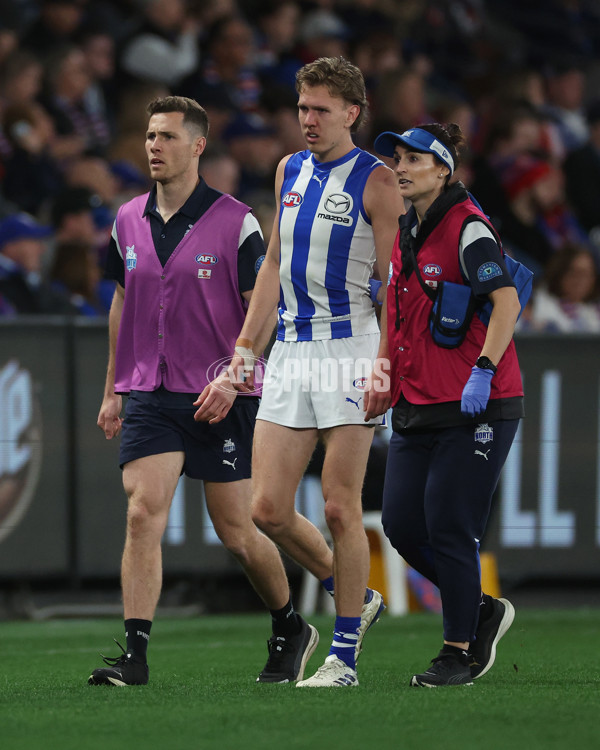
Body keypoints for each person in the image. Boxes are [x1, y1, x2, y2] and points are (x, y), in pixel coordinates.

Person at [89, 95, 318, 687]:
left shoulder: (236, 220)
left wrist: (236, 376)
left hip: (224, 393)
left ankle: (290, 624)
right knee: (143, 512)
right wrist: (115, 387)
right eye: (148, 135)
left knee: (239, 534)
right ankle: (134, 655)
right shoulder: (125, 219)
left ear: (197, 147)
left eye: (166, 136)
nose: (153, 146)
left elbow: (261, 311)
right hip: (151, 392)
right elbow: (121, 300)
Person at [205, 56, 403, 688]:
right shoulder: (289, 169)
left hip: (350, 349)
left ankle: (342, 657)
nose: (308, 120)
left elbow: (393, 286)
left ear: (352, 112)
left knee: (342, 507)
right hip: (290, 351)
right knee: (265, 507)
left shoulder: (377, 181)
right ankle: (357, 597)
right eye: (302, 108)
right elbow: (272, 267)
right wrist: (245, 348)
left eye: (320, 109)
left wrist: (385, 362)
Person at [373, 123, 522, 687]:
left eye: (415, 159)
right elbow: (396, 308)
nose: (401, 167)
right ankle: (479, 607)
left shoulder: (468, 229)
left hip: (475, 404)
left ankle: (458, 650)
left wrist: (483, 371)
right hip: (418, 401)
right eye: (397, 158)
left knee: (451, 526)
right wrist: (386, 369)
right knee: (404, 525)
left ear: (443, 170)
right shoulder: (408, 229)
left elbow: (505, 303)